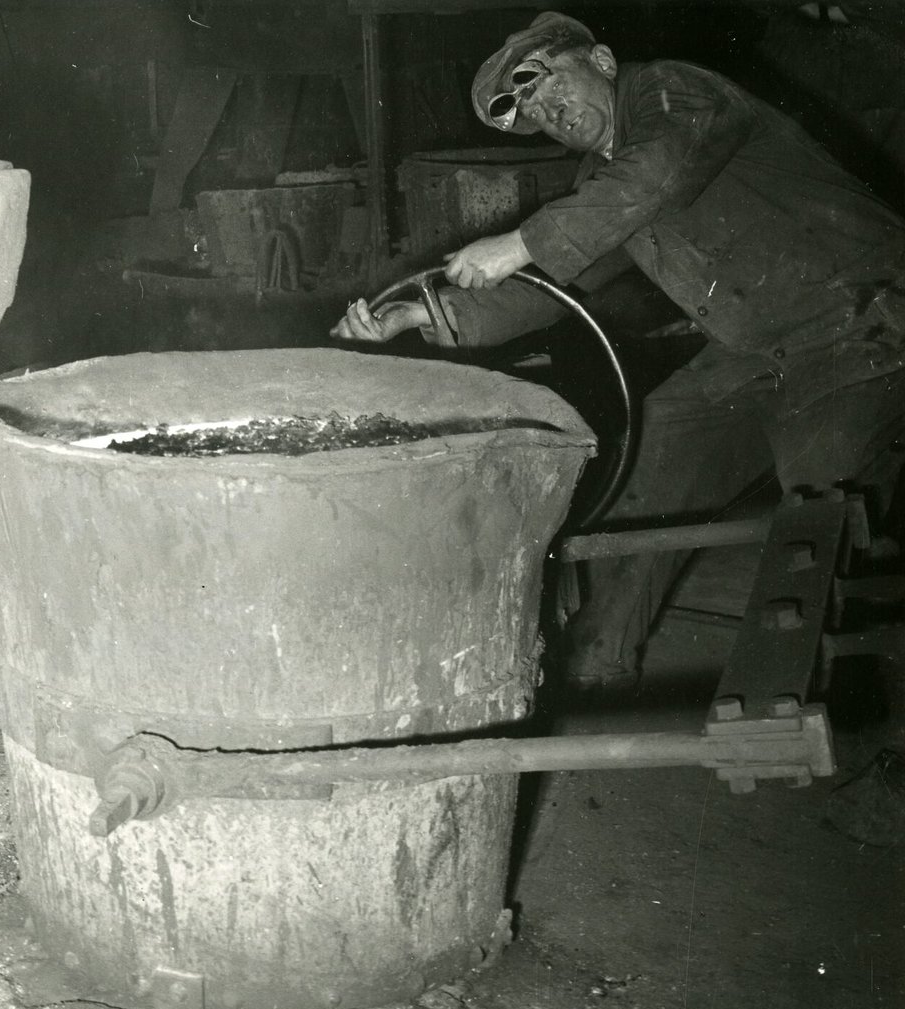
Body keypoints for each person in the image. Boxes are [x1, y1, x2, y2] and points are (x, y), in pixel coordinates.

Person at [333, 11, 905, 710]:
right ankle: (598, 675)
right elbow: (564, 280)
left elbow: (654, 175)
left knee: (820, 505)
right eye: (533, 109)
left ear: (601, 60)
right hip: (760, 351)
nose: (549, 110)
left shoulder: (673, 95)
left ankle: (804, 703)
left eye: (548, 82)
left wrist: (520, 241)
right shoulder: (600, 180)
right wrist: (424, 314)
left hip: (864, 324)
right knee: (660, 454)